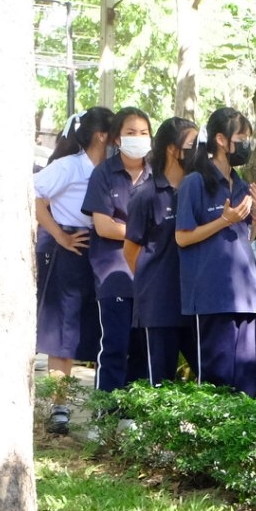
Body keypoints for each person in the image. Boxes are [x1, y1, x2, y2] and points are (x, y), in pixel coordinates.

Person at [33, 105, 113, 433]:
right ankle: (59, 406)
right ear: (101, 136)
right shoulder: (69, 167)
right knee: (63, 331)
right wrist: (60, 236)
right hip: (68, 248)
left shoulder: (111, 169)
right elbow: (33, 194)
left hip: (102, 249)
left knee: (97, 329)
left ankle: (98, 404)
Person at [176, 106, 256, 394]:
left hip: (247, 298)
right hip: (211, 297)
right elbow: (182, 237)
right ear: (222, 140)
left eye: (249, 138)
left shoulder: (241, 184)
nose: (247, 144)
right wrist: (223, 220)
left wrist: (255, 217)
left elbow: (247, 238)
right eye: (242, 137)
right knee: (216, 383)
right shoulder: (195, 182)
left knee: (246, 383)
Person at [81, 107, 153, 393]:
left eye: (144, 133)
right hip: (113, 272)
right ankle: (105, 414)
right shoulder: (104, 174)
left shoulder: (157, 175)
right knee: (114, 345)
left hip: (149, 276)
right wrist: (144, 233)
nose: (138, 138)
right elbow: (104, 227)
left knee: (143, 349)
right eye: (131, 133)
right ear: (116, 140)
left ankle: (131, 417)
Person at [125, 116, 197, 384]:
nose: (196, 151)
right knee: (160, 382)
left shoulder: (197, 188)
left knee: (210, 378)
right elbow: (130, 250)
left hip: (194, 303)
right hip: (159, 306)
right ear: (171, 148)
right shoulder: (146, 195)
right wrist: (150, 284)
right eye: (191, 144)